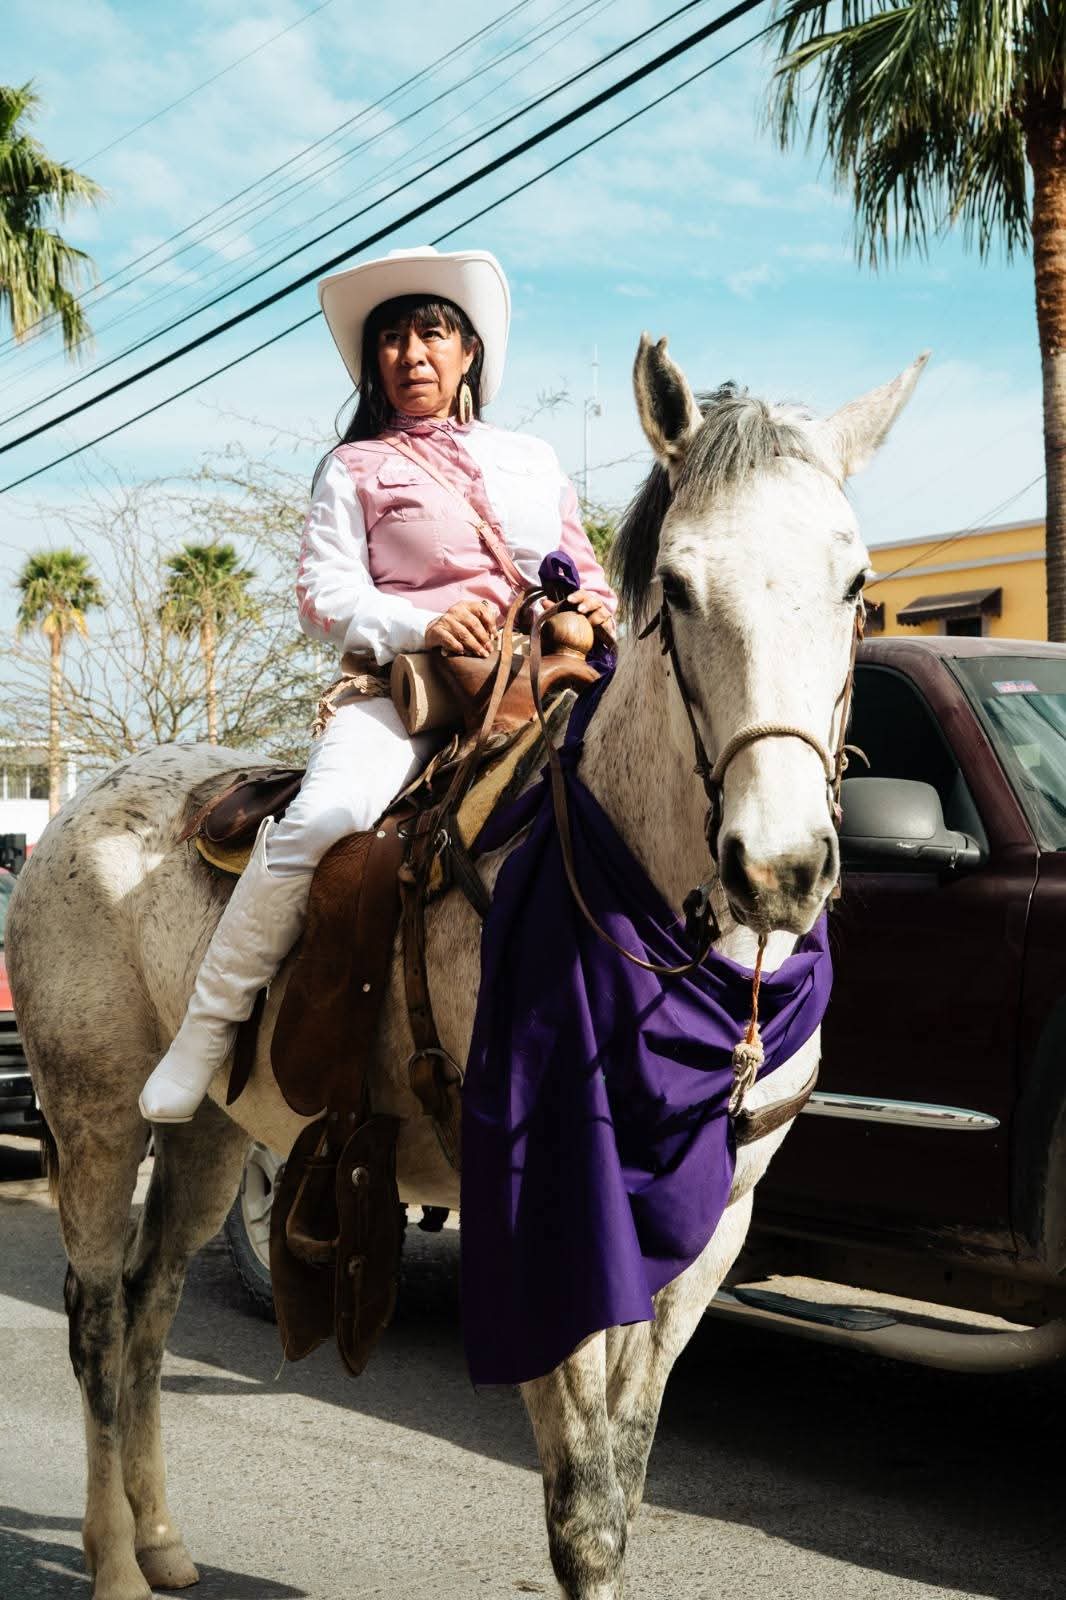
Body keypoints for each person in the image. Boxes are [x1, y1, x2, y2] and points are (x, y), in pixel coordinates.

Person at [139, 245, 618, 1123]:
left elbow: (587, 571)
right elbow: (321, 596)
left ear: (469, 351)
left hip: (535, 681)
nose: (411, 354)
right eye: (392, 340)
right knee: (324, 820)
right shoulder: (353, 466)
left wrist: (591, 606)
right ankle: (205, 1030)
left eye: (431, 334)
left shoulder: (533, 458)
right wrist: (421, 624)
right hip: (407, 693)